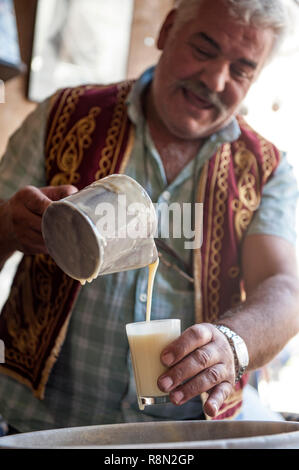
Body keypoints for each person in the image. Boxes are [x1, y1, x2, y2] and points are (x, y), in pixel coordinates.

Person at [0, 0, 298, 433]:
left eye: (240, 70)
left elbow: (284, 288)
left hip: (187, 437)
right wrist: (9, 223)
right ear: (167, 30)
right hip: (36, 425)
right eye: (204, 48)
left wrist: (234, 343)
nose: (215, 79)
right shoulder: (64, 116)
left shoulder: (267, 169)